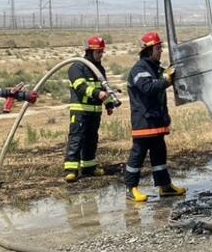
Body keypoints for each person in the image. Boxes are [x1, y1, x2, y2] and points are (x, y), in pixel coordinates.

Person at [124, 32, 186, 202]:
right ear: (148, 50)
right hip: (143, 121)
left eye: (160, 48)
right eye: (158, 48)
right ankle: (131, 188)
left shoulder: (155, 68)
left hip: (156, 121)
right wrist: (166, 81)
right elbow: (148, 88)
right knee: (138, 154)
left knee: (159, 153)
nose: (161, 51)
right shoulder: (139, 69)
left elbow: (164, 78)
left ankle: (165, 186)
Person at [63, 36, 116, 182]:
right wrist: (96, 93)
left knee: (92, 139)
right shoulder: (77, 67)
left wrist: (109, 104)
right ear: (89, 51)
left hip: (95, 111)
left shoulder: (99, 69)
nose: (101, 55)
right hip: (80, 110)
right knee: (77, 138)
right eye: (98, 52)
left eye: (102, 52)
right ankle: (71, 170)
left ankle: (89, 167)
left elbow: (104, 88)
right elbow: (80, 87)